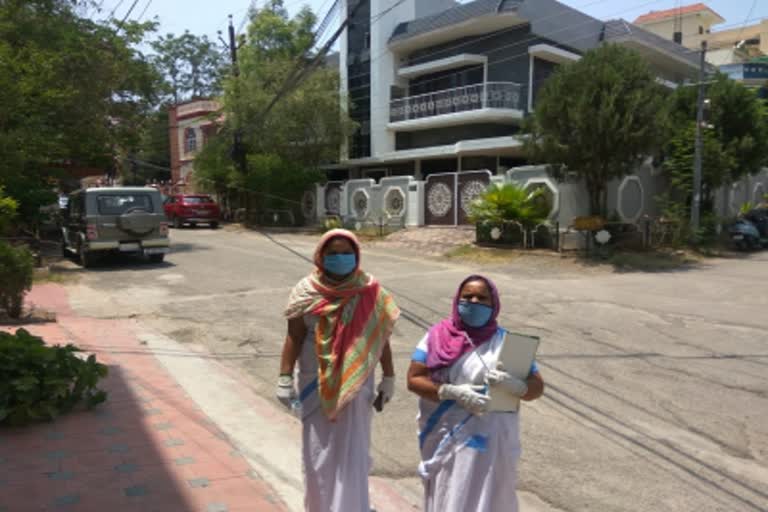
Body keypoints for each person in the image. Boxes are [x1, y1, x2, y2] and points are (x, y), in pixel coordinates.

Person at [277, 229, 400, 512]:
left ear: (356, 255)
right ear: (321, 255)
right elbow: (294, 337)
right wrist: (284, 377)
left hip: (358, 384)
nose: (340, 258)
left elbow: (381, 337)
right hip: (314, 383)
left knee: (352, 451)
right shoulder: (305, 290)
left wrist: (389, 378)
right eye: (333, 253)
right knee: (318, 454)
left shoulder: (371, 290)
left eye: (347, 253)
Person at [406, 275, 544, 512]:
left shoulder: (510, 344)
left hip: (491, 441)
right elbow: (414, 379)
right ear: (457, 300)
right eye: (467, 296)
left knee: (489, 496)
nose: (474, 301)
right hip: (446, 438)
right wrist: (450, 392)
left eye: (482, 298)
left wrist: (519, 387)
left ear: (494, 305)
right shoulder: (436, 336)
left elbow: (537, 387)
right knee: (451, 492)